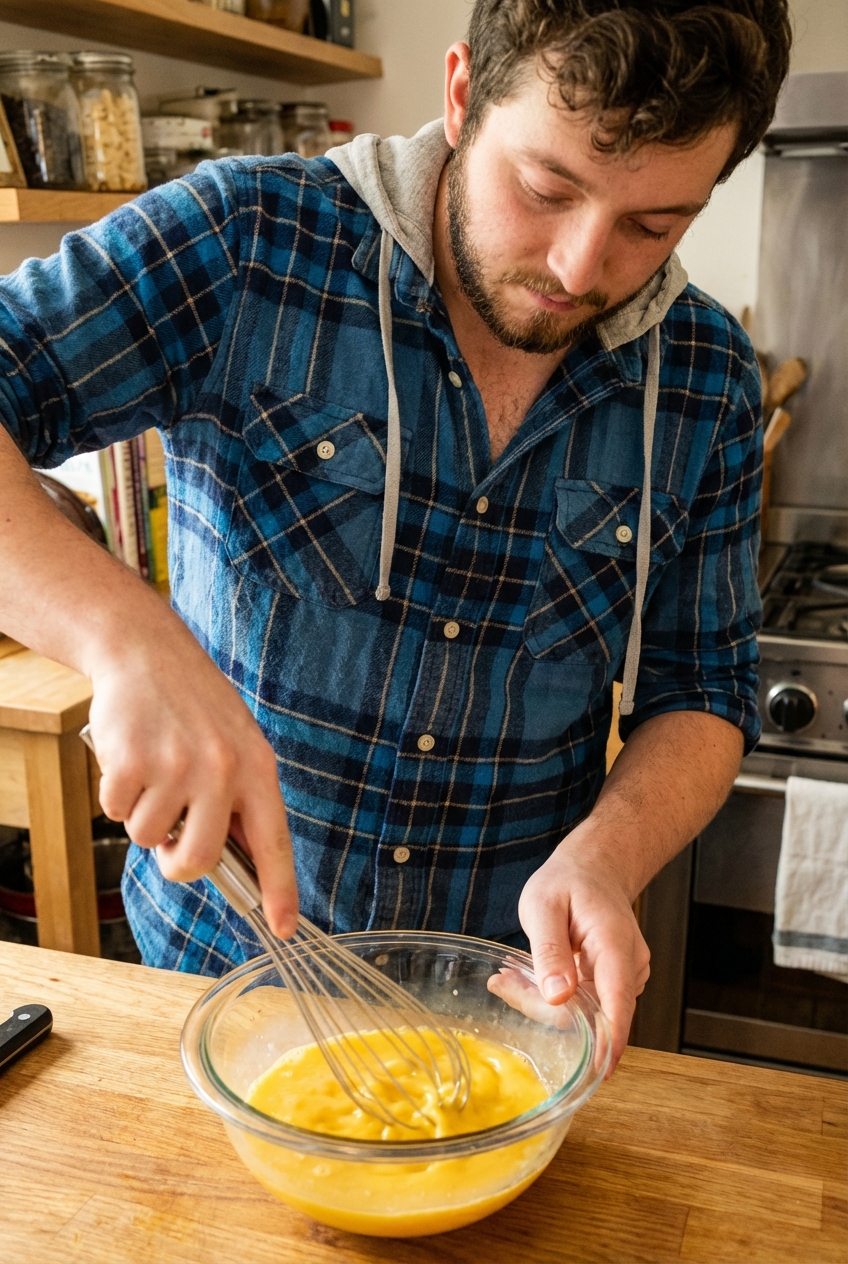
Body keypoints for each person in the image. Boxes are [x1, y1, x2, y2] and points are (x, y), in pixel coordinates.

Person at [0, 0, 791, 1073]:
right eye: (545, 187)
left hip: (508, 1000)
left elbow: (703, 686)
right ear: (462, 95)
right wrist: (123, 637)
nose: (578, 264)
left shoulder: (703, 376)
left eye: (653, 225)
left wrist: (607, 857)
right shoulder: (250, 240)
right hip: (212, 973)